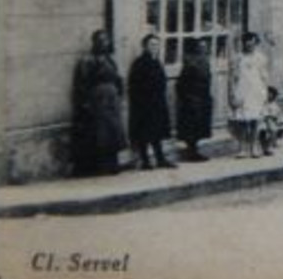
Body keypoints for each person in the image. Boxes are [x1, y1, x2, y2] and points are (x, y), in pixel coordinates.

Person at [71, 29, 126, 176]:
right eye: (100, 41)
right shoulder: (87, 61)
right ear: (94, 43)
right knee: (99, 134)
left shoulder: (110, 60)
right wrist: (85, 102)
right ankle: (99, 166)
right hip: (97, 100)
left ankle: (113, 164)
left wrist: (119, 93)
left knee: (113, 132)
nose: (104, 44)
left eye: (106, 40)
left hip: (111, 100)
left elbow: (118, 78)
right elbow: (82, 83)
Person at [127, 33, 175, 170]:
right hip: (144, 104)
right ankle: (145, 161)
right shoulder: (139, 63)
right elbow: (134, 85)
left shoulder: (157, 62)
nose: (155, 47)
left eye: (157, 45)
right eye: (152, 45)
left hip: (157, 102)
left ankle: (160, 158)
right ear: (145, 47)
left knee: (157, 132)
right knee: (144, 133)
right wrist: (140, 101)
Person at [228, 32, 269, 159]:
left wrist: (265, 92)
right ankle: (242, 148)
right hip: (242, 90)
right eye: (247, 43)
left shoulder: (261, 58)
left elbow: (264, 77)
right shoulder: (238, 58)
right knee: (242, 122)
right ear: (243, 44)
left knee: (255, 121)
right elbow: (233, 77)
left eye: (252, 43)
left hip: (256, 91)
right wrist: (232, 93)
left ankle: (254, 147)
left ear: (255, 44)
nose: (249, 46)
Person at [174, 38, 213, 162]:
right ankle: (191, 152)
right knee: (191, 127)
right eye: (201, 46)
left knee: (199, 126)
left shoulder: (205, 61)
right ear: (196, 48)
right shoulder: (190, 62)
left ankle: (195, 150)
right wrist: (187, 97)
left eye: (205, 46)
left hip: (203, 98)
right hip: (192, 99)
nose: (203, 49)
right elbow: (181, 83)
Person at [258, 86, 283, 156]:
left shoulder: (275, 105)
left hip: (271, 121)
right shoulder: (263, 103)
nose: (269, 95)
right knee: (262, 131)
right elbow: (261, 113)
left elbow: (277, 115)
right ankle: (264, 148)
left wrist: (274, 119)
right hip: (262, 121)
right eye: (268, 94)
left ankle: (269, 147)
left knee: (273, 130)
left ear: (274, 95)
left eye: (271, 94)